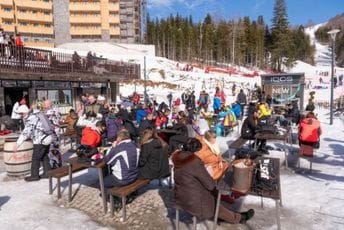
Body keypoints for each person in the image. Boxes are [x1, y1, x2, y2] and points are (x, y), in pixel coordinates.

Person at [172, 138, 254, 224]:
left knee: (214, 194)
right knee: (214, 200)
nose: (198, 153)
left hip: (181, 196)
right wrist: (208, 173)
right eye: (198, 151)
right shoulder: (194, 162)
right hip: (193, 200)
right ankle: (238, 218)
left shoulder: (179, 158)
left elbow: (188, 175)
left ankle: (226, 214)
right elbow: (210, 184)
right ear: (194, 150)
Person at [14, 105, 54, 181]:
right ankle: (47, 173)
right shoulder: (37, 114)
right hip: (47, 138)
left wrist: (18, 143)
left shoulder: (31, 118)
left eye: (21, 114)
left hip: (39, 140)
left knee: (35, 158)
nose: (21, 115)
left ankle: (34, 176)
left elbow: (26, 133)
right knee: (44, 156)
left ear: (25, 112)